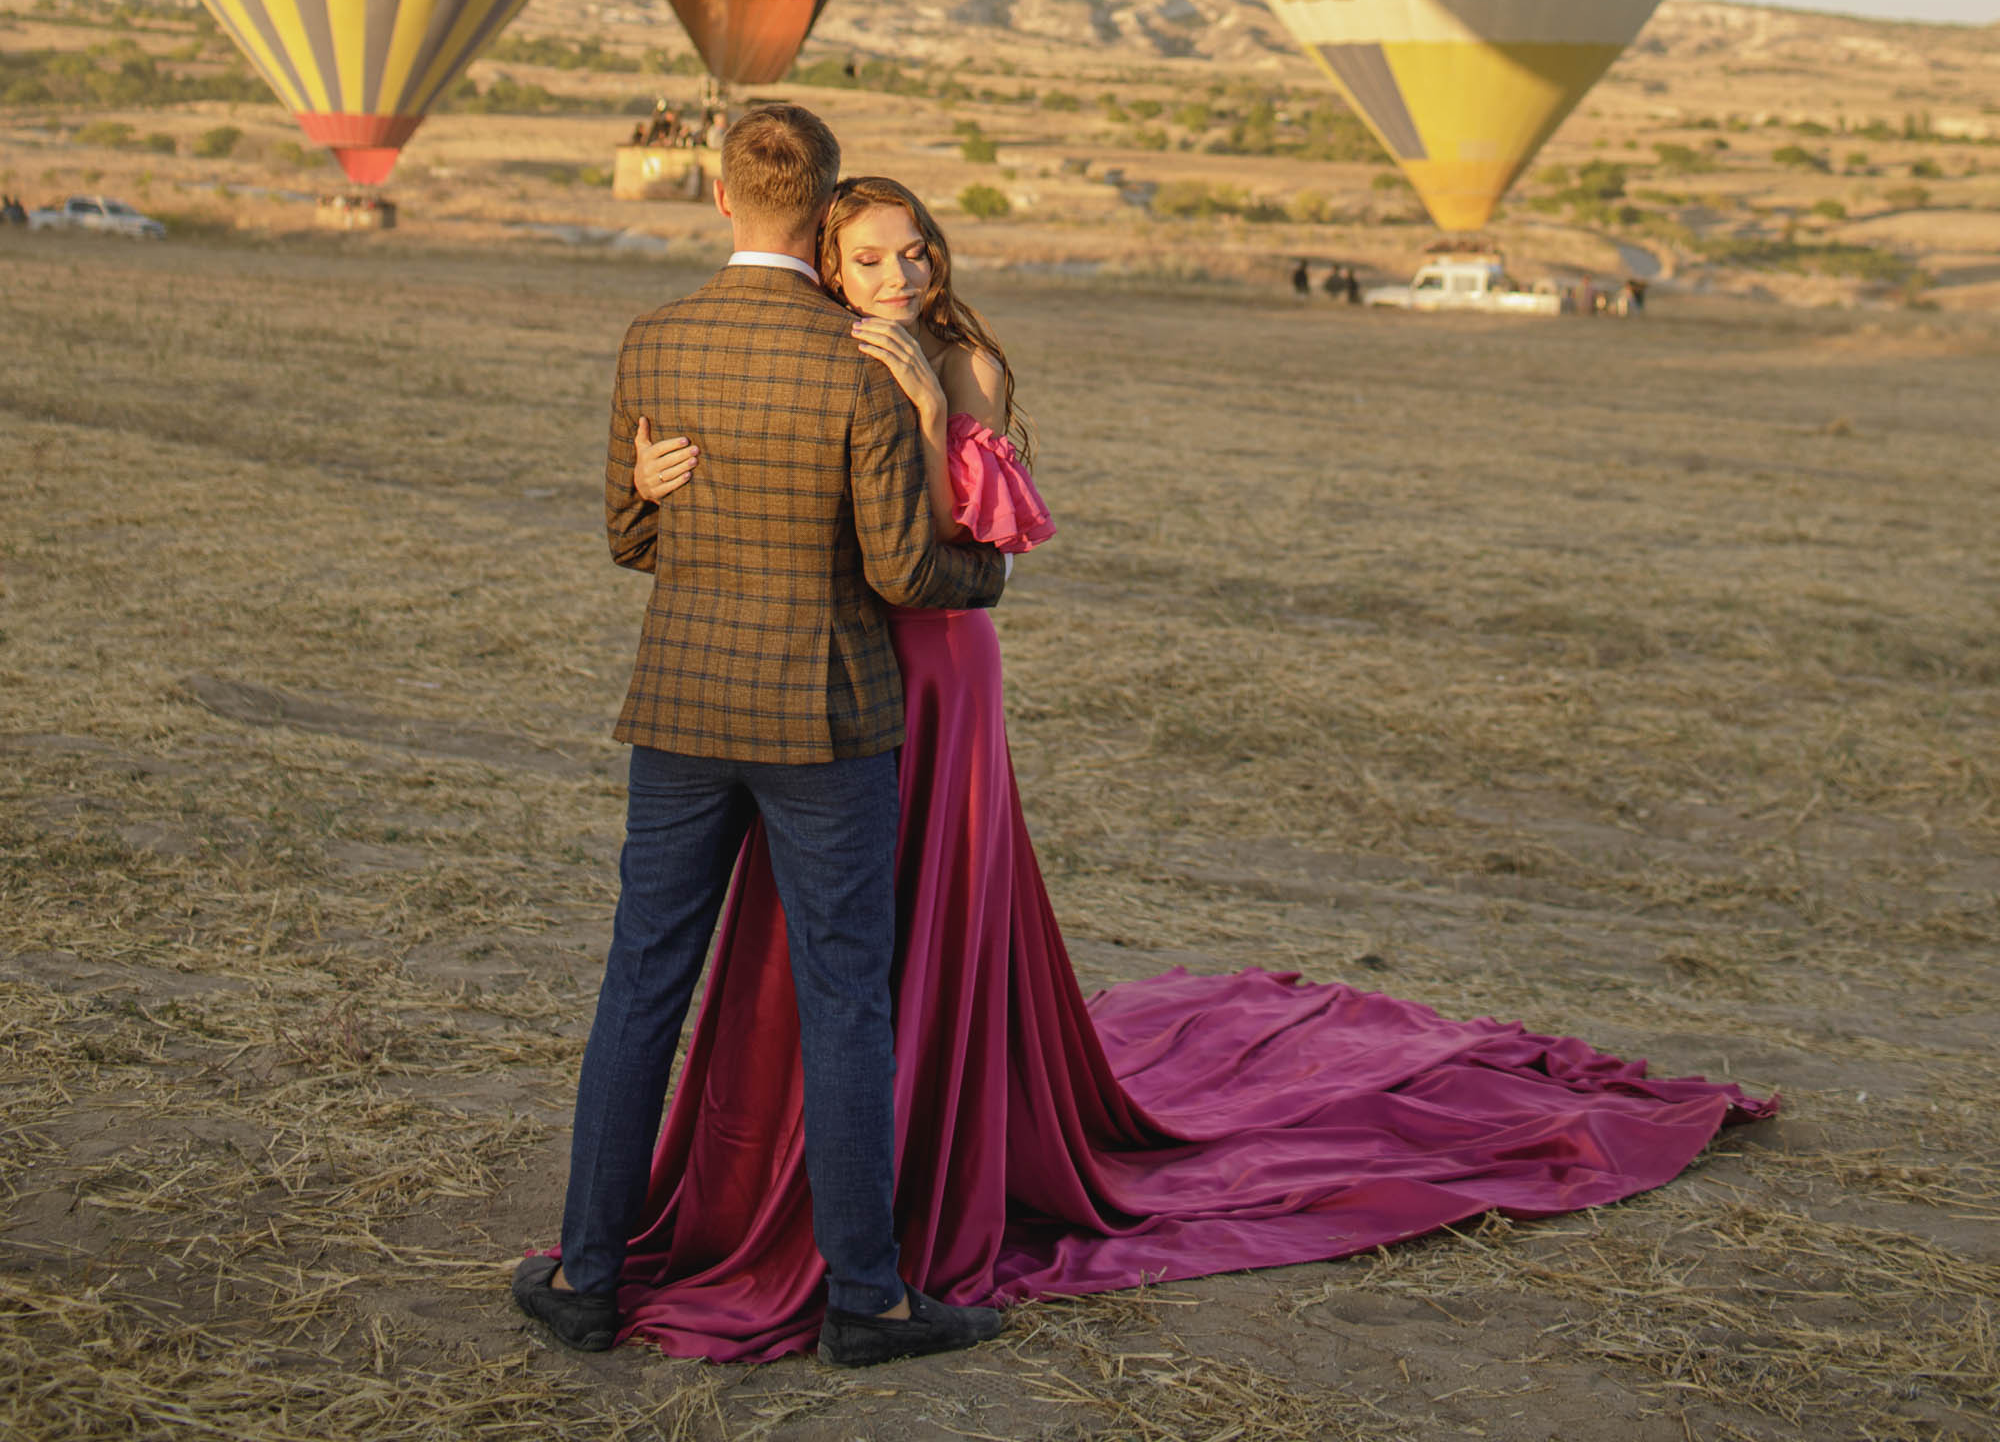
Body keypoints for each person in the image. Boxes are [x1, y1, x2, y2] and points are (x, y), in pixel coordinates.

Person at [597, 173, 1769, 1364]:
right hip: (833, 673)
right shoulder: (823, 353)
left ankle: (908, 1167)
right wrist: (651, 487)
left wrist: (908, 402)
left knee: (905, 919)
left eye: (913, 254)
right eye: (868, 260)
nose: (899, 278)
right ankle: (807, 1186)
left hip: (934, 660)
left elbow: (965, 541)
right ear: (828, 266)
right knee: (838, 944)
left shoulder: (956, 367)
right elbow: (784, 507)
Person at [511, 106, 1007, 1370]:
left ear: (721, 202)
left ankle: (582, 1274)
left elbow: (628, 538)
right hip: (823, 718)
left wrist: (665, 490)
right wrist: (986, 578)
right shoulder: (861, 356)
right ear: (826, 208)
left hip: (679, 711)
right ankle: (864, 1298)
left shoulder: (656, 340)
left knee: (640, 986)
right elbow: (904, 572)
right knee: (846, 1002)